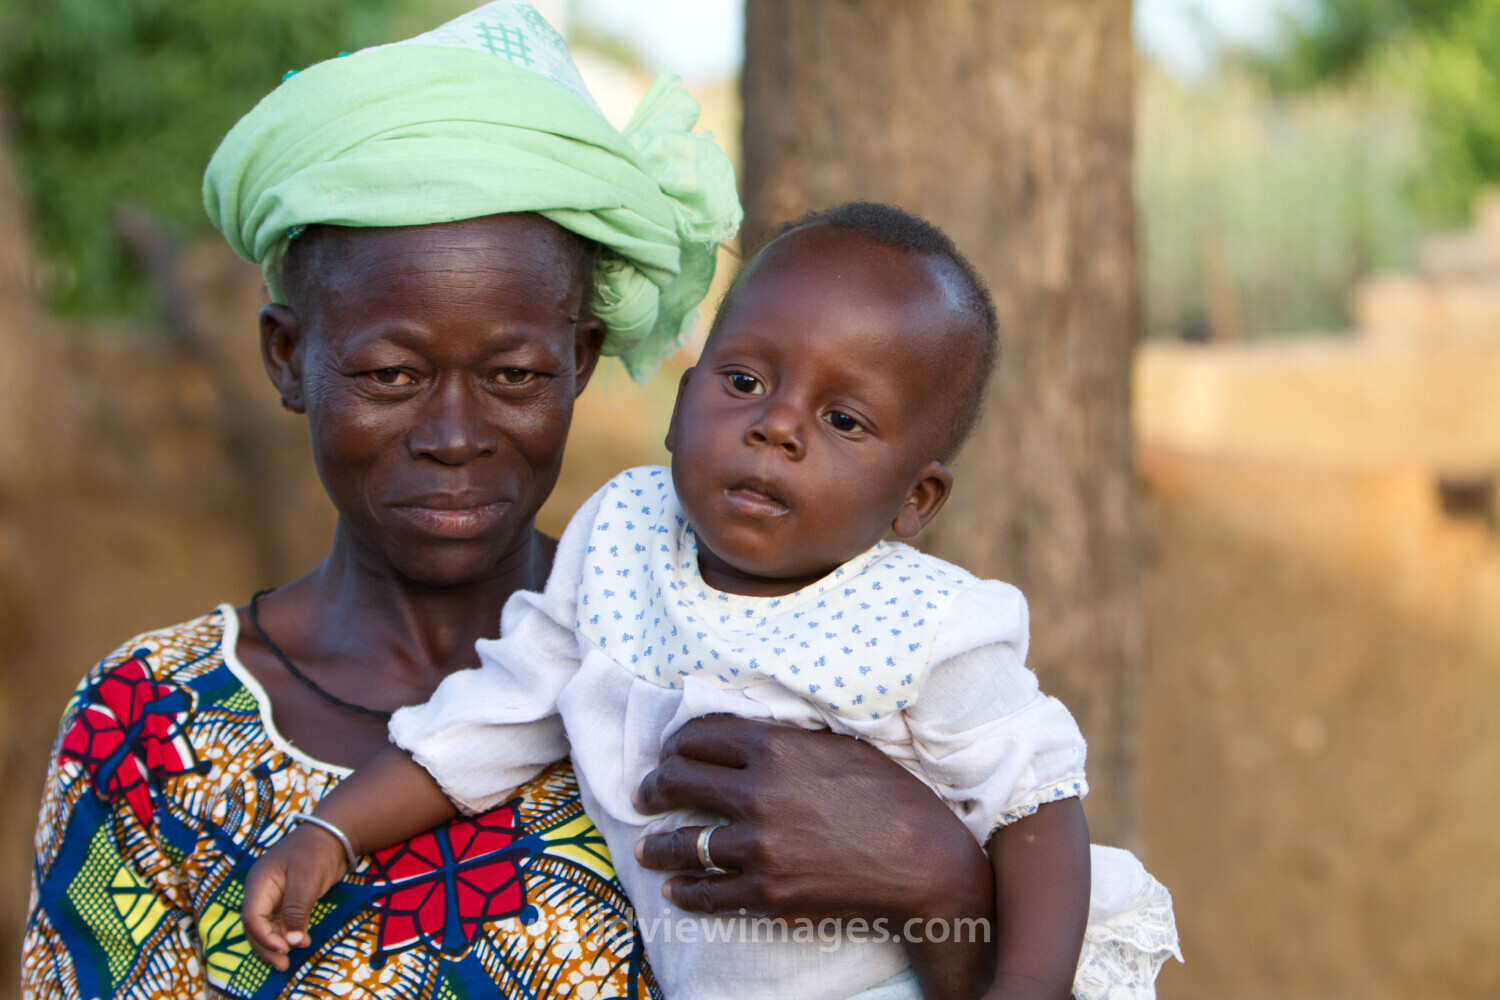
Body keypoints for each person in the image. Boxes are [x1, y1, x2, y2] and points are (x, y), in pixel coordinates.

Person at [21, 7, 1028, 1000]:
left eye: (513, 375)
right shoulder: (152, 724)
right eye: (388, 375)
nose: (454, 434)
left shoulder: (734, 668)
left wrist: (939, 883)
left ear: (581, 363)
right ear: (290, 357)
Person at [242, 202, 1182, 1000]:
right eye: (744, 382)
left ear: (915, 500)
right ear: (682, 403)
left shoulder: (931, 625)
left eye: (843, 420)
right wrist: (334, 830)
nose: (775, 425)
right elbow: (495, 710)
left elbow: (1038, 807)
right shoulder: (622, 538)